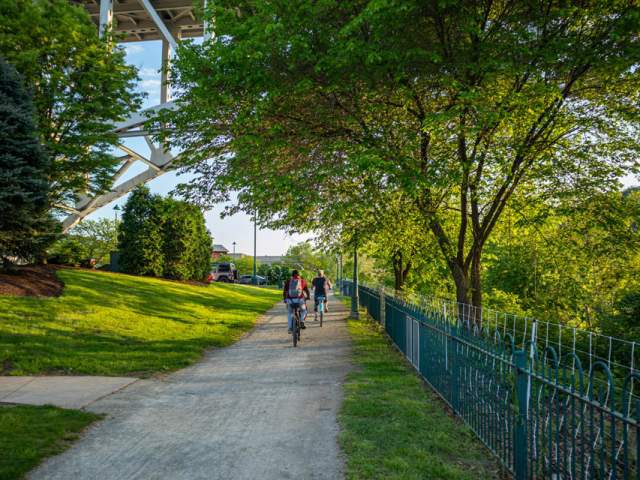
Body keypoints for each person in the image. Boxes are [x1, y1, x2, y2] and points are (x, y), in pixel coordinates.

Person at [283, 270, 310, 334]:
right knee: (304, 310)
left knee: (290, 313)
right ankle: (302, 321)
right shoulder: (302, 281)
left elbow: (285, 291)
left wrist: (285, 299)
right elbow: (307, 290)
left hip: (290, 300)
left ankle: (289, 328)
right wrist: (308, 297)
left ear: (292, 275)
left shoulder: (288, 281)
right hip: (300, 300)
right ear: (299, 275)